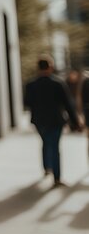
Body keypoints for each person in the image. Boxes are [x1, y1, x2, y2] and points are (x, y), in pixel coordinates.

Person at [24, 55, 80, 187]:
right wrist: (75, 122)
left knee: (45, 143)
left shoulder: (31, 84)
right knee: (55, 147)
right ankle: (57, 177)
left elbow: (27, 102)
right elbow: (67, 104)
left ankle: (47, 168)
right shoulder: (58, 83)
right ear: (50, 67)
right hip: (56, 120)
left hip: (40, 120)